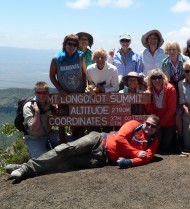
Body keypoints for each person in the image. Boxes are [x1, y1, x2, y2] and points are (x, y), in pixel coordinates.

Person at [6, 114, 160, 183]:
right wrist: (134, 153)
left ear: (156, 129)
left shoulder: (153, 141)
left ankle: (25, 168)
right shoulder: (133, 124)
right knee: (66, 149)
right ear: (144, 122)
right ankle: (26, 168)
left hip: (102, 159)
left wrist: (129, 162)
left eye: (153, 126)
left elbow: (146, 158)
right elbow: (120, 138)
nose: (149, 127)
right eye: (148, 123)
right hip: (99, 139)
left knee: (65, 164)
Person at [49, 34, 87, 141]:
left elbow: (85, 74)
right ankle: (63, 145)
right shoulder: (56, 59)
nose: (72, 47)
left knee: (78, 122)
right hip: (64, 96)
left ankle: (75, 144)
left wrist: (87, 87)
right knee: (63, 121)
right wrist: (60, 89)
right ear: (64, 45)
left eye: (75, 45)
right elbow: (52, 76)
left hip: (79, 96)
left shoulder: (80, 57)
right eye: (69, 44)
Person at [22, 81, 70, 158]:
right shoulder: (28, 107)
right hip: (34, 138)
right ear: (35, 93)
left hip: (49, 133)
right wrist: (37, 111)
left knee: (71, 140)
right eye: (38, 93)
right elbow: (34, 128)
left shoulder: (50, 102)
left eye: (44, 93)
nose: (41, 95)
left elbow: (57, 114)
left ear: (48, 93)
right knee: (41, 159)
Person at [161, 40, 189, 150]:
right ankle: (179, 136)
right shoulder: (165, 62)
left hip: (185, 87)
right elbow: (165, 79)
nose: (172, 51)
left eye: (174, 49)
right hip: (172, 88)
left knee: (182, 112)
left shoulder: (186, 60)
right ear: (167, 51)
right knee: (175, 112)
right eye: (169, 50)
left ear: (178, 50)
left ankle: (183, 136)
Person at [145, 69, 177, 152]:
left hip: (168, 120)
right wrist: (148, 98)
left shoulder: (170, 89)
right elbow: (149, 111)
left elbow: (171, 109)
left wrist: (159, 124)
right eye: (154, 78)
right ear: (150, 80)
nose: (157, 80)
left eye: (159, 77)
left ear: (163, 78)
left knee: (165, 146)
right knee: (157, 144)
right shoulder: (149, 90)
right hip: (155, 121)